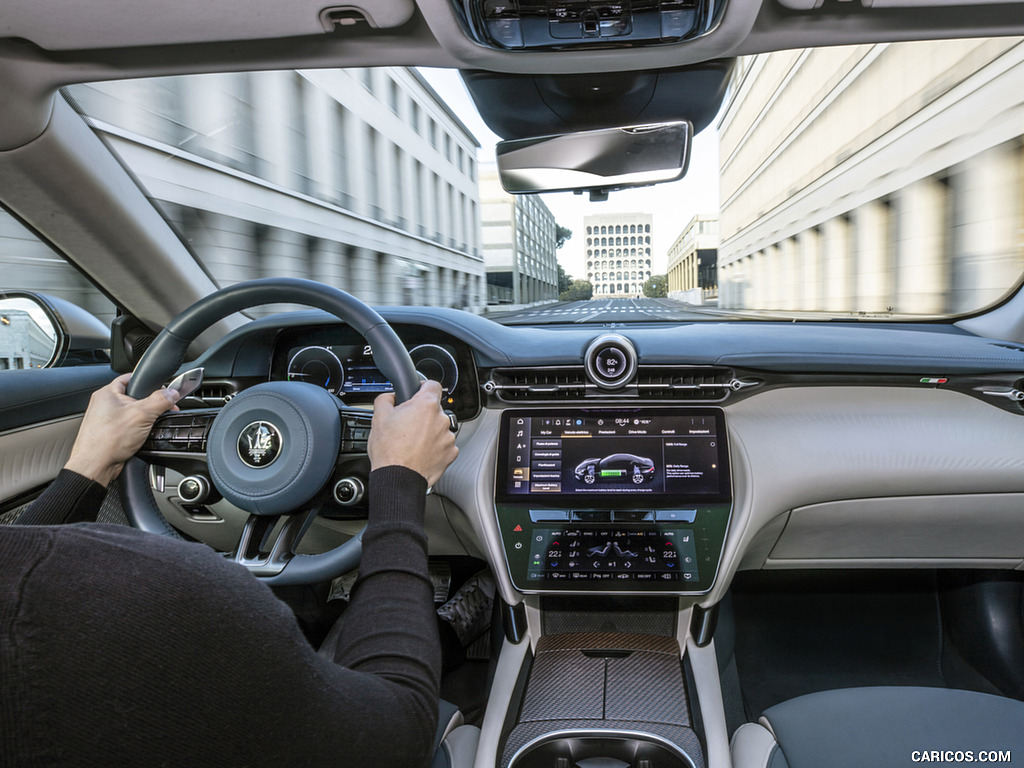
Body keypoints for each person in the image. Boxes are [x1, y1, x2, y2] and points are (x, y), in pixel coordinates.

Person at [1, 373, 459, 767]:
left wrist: (90, 464)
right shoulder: (167, 603)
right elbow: (398, 732)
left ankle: (365, 611)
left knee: (326, 617)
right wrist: (400, 478)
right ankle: (450, 627)